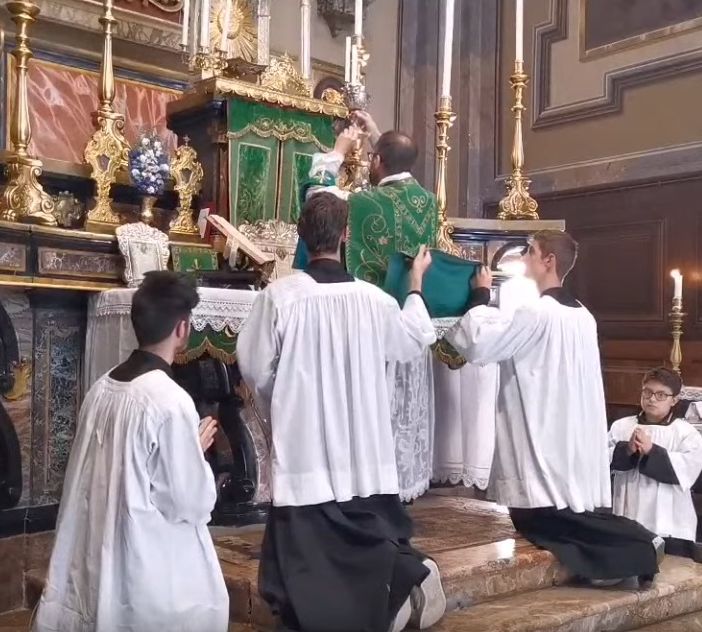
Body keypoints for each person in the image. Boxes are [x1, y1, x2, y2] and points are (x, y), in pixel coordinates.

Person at [237, 192, 446, 632]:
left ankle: (394, 589)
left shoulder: (280, 297)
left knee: (309, 560)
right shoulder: (375, 300)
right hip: (363, 448)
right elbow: (411, 340)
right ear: (346, 235)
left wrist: (288, 401)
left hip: (306, 448)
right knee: (366, 533)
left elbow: (254, 368)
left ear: (301, 236)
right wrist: (415, 285)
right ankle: (400, 582)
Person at [444, 230, 665, 586]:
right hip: (567, 435)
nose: (524, 257)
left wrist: (480, 296)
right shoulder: (583, 316)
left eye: (530, 251)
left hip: (542, 431)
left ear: (549, 261)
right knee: (558, 515)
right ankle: (634, 545)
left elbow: (484, 343)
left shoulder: (538, 312)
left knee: (541, 519)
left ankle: (636, 544)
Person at [34, 272, 229, 632]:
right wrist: (194, 451)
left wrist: (185, 448)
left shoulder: (103, 386)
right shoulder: (169, 401)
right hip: (141, 560)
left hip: (96, 547)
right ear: (183, 328)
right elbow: (188, 502)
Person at [293, 111, 439, 286]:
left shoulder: (364, 203)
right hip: (414, 296)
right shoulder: (429, 201)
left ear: (376, 160)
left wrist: (338, 151)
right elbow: (397, 157)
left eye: (372, 158)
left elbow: (317, 195)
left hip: (372, 299)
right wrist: (375, 135)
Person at [610, 367, 702, 559]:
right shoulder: (621, 426)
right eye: (647, 392)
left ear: (674, 400)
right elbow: (602, 459)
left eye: (661, 395)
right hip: (627, 513)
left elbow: (687, 470)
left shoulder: (685, 433)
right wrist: (627, 450)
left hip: (670, 523)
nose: (652, 399)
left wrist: (652, 451)